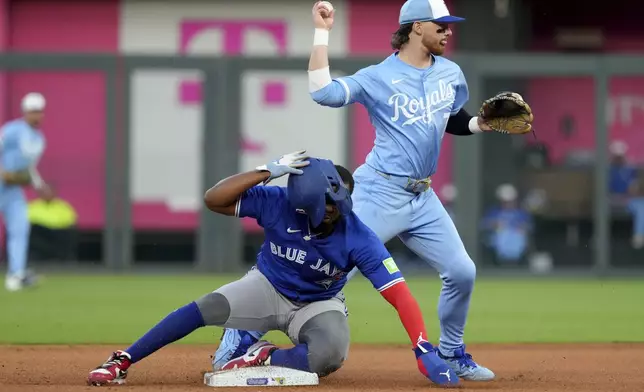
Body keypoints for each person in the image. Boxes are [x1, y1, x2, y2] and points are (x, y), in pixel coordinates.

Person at [214, 0, 519, 381]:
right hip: (378, 191)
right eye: (440, 25)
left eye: (448, 25)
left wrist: (478, 124)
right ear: (416, 27)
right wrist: (321, 31)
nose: (448, 31)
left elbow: (451, 118)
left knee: (462, 271)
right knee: (324, 268)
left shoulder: (451, 73)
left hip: (422, 198)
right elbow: (322, 91)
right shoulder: (379, 77)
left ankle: (453, 352)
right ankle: (241, 334)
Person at [87, 151, 460, 387]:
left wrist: (423, 347)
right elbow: (214, 199)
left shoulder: (358, 236)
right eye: (330, 201)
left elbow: (400, 295)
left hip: (318, 302)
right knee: (204, 308)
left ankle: (263, 354)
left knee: (329, 356)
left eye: (341, 199)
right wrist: (267, 170)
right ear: (308, 198)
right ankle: (123, 360)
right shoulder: (278, 202)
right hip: (267, 286)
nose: (338, 208)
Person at [2, 92, 49, 292]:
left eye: (38, 111)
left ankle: (16, 274)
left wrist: (40, 185)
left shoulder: (39, 138)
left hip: (12, 191)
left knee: (20, 228)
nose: (35, 115)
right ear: (25, 112)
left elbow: (29, 168)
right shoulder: (12, 130)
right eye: (32, 111)